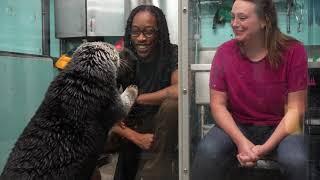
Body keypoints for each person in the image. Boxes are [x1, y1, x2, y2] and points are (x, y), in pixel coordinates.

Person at [191, 0, 308, 180]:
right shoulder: (224, 53)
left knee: (296, 161)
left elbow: (295, 110)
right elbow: (218, 105)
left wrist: (264, 148)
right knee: (208, 153)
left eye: (242, 17)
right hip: (238, 125)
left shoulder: (294, 51)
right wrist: (241, 142)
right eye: (233, 17)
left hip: (283, 127)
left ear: (264, 21)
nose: (234, 23)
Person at [111, 5, 178, 180]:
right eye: (135, 32)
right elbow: (99, 107)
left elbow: (180, 90)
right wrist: (135, 137)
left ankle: (153, 174)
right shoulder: (122, 58)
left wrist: (137, 98)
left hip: (160, 123)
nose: (141, 38)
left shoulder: (171, 53)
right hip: (128, 126)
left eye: (148, 32)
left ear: (159, 32)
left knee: (173, 106)